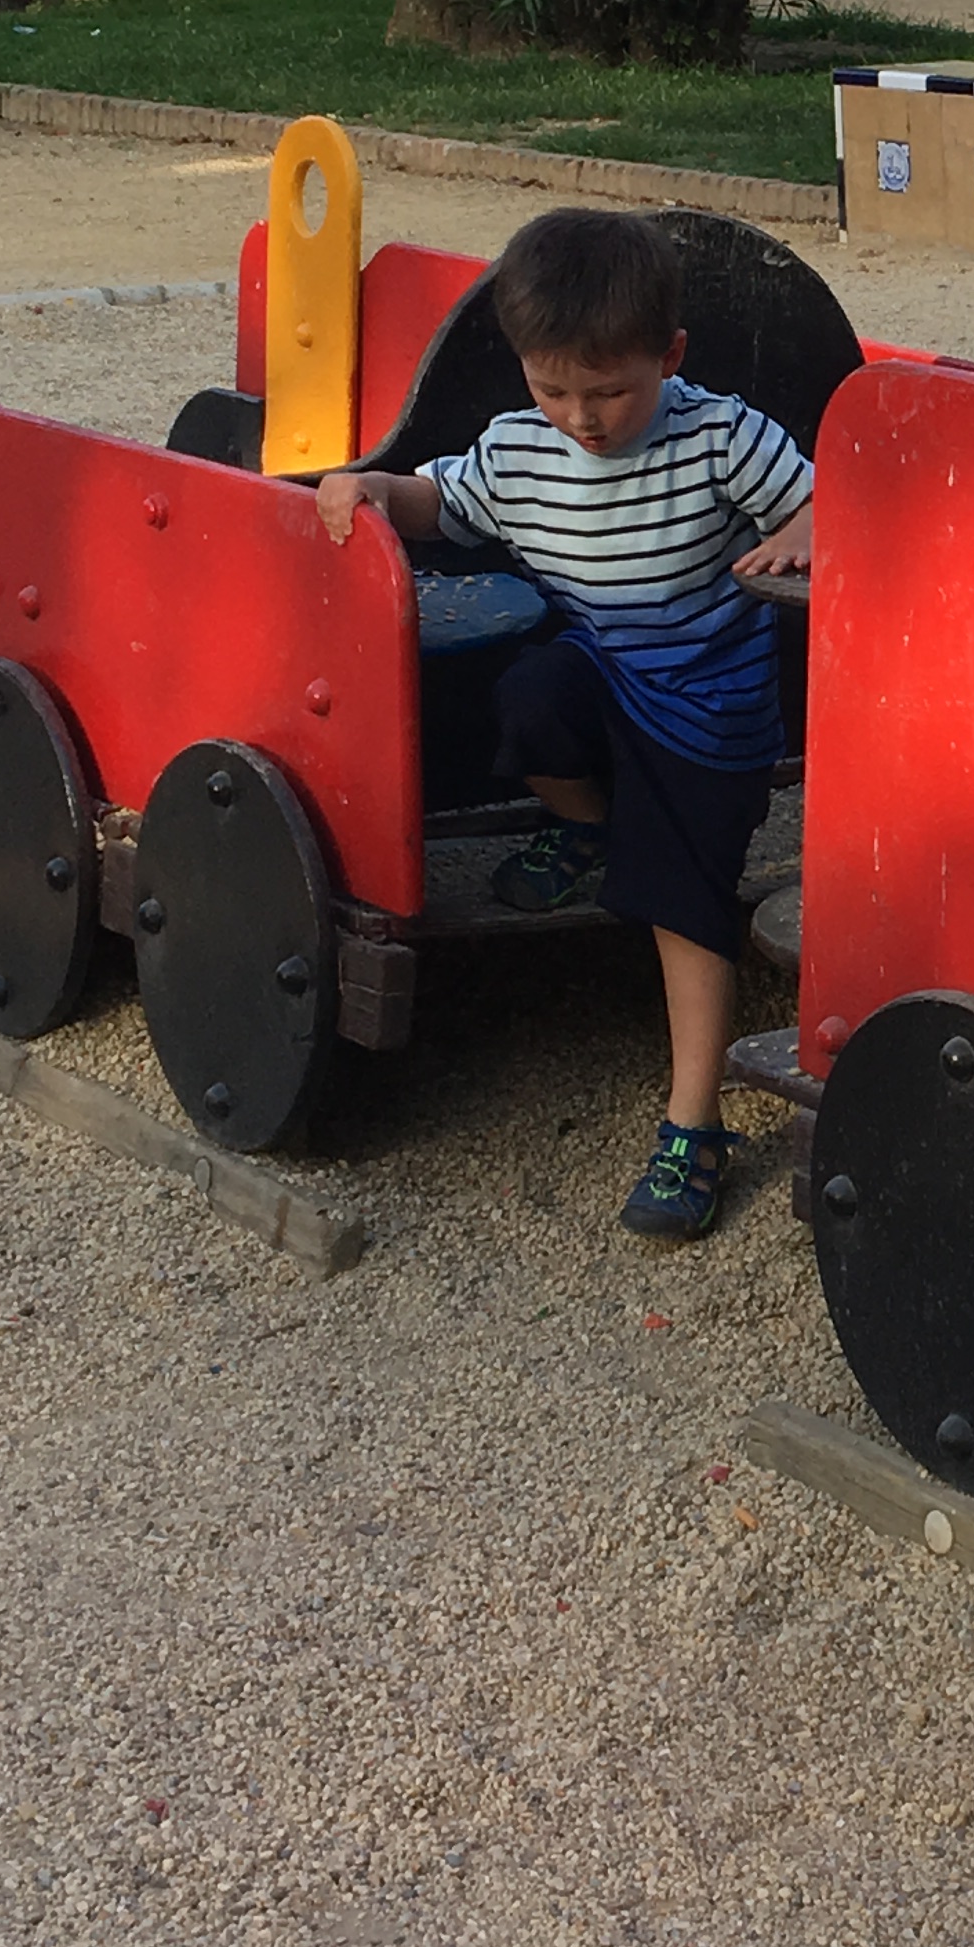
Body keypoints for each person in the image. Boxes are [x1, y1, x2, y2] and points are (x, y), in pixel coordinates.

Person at [317, 209, 815, 1245]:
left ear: (669, 356)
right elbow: (436, 503)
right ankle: (588, 829)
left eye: (610, 392)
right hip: (604, 673)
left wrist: (803, 535)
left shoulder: (721, 438)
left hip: (707, 707)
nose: (582, 419)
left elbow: (826, 501)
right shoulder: (517, 450)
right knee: (526, 701)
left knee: (683, 904)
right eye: (553, 391)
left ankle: (694, 1127)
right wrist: (368, 489)